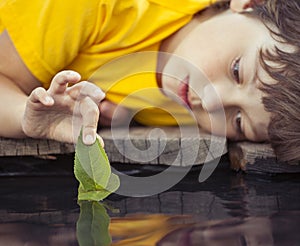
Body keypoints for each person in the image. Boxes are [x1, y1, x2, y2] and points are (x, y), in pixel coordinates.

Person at [0, 0, 299, 163]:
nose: (211, 101)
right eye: (236, 70)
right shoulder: (98, 6)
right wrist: (24, 117)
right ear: (248, 4)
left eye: (238, 122)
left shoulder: (187, 95)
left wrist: (125, 117)